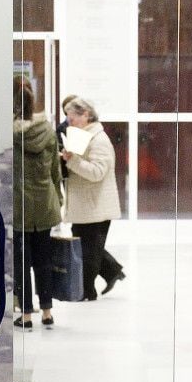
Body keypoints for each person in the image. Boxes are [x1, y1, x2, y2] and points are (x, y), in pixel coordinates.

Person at [59, 96, 126, 301]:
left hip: (95, 207)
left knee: (88, 253)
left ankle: (87, 292)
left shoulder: (99, 140)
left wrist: (72, 161)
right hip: (84, 206)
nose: (69, 123)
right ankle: (102, 278)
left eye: (72, 119)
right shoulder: (81, 135)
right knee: (85, 250)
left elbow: (97, 172)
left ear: (85, 115)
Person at [13, 81, 63, 329]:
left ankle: (25, 315)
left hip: (19, 204)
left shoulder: (11, 135)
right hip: (45, 202)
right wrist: (59, 201)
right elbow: (56, 170)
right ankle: (47, 312)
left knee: (22, 261)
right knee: (43, 259)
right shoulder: (48, 131)